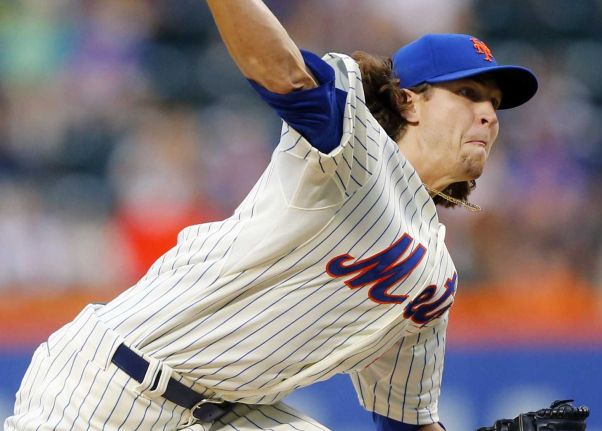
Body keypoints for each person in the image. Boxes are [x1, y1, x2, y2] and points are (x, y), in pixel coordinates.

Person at [5, 1, 537, 430]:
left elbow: (405, 420)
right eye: (467, 94)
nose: (488, 114)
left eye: (494, 103)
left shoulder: (436, 274)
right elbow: (281, 71)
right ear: (408, 102)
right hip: (112, 384)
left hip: (229, 414)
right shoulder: (356, 149)